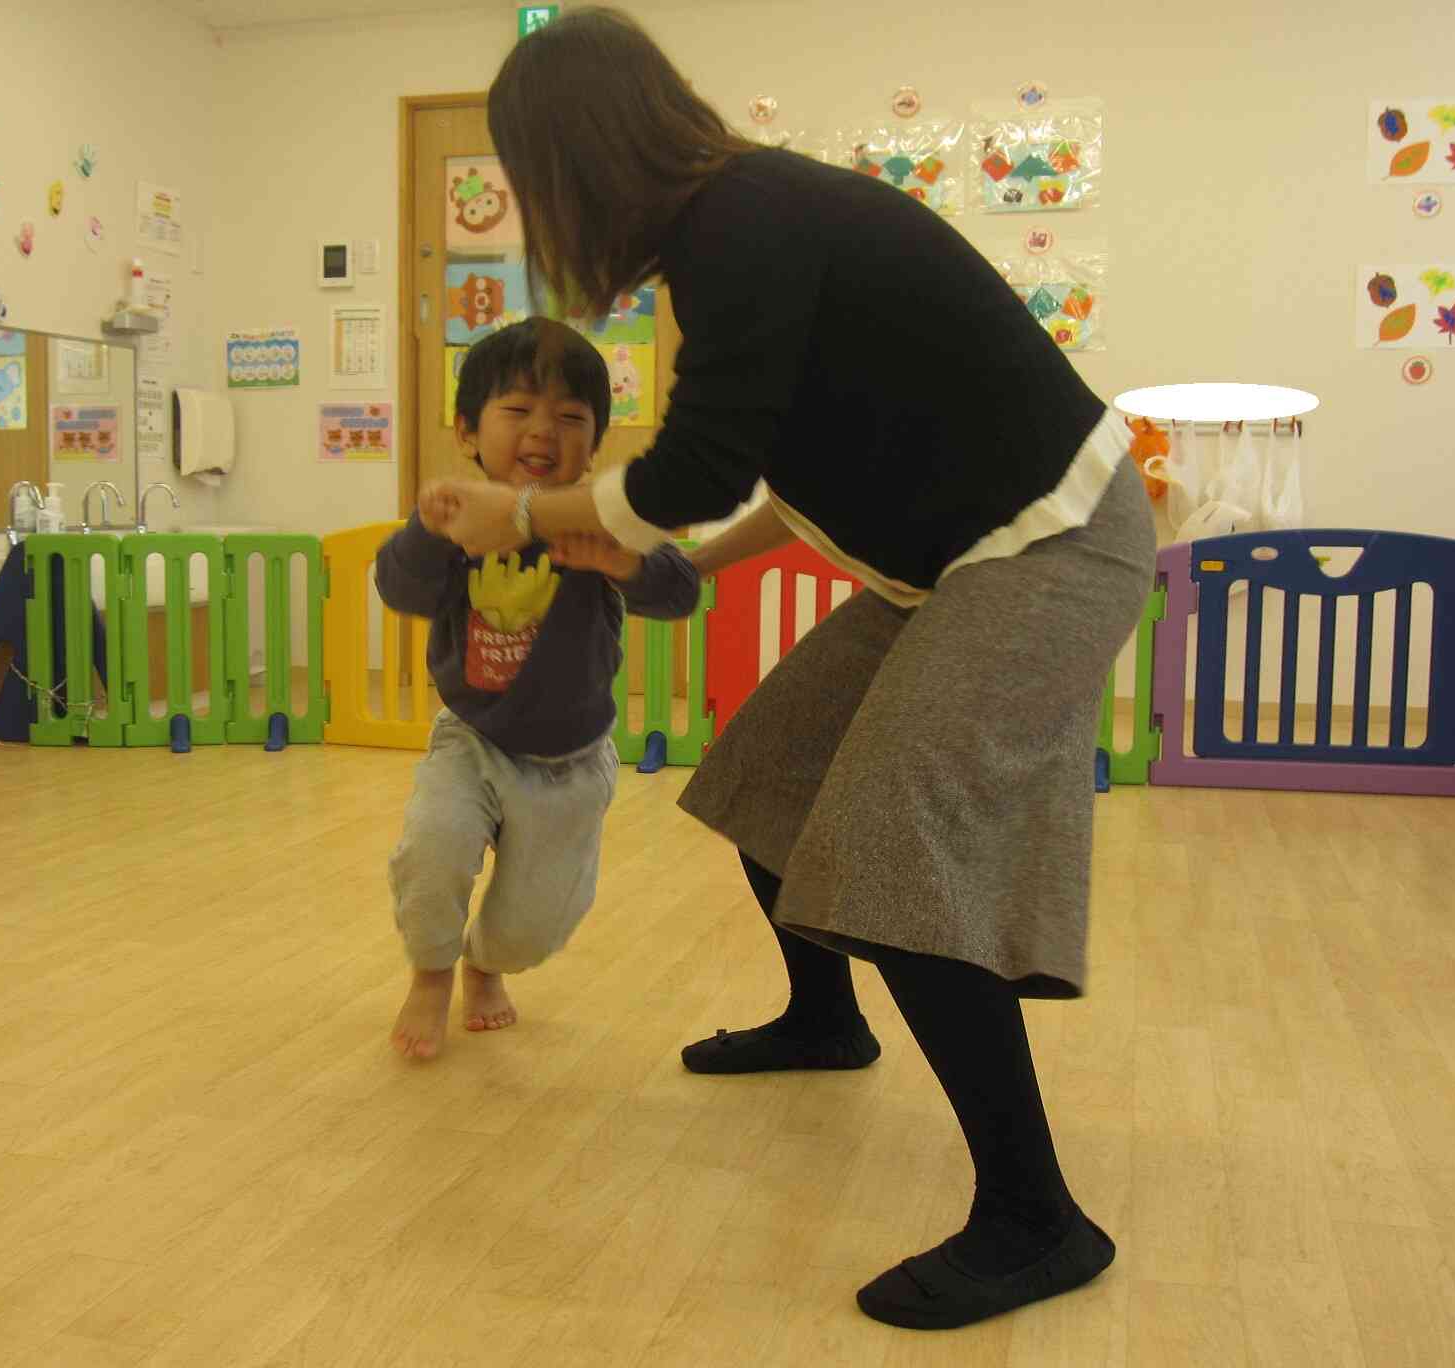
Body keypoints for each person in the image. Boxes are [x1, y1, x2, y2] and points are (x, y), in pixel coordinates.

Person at [423, 7, 1156, 1331]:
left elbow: (691, 471)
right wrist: (694, 569)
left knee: (890, 840)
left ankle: (1038, 1215)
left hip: (1052, 545)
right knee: (766, 771)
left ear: (576, 160)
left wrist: (525, 517)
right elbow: (780, 464)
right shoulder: (739, 230)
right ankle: (826, 1021)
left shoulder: (740, 226)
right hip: (945, 561)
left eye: (534, 180)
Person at [377, 319, 699, 1060]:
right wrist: (428, 531)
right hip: (472, 738)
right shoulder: (464, 516)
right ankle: (431, 974)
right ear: (468, 430)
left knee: (534, 923)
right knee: (433, 850)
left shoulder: (598, 517)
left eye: (571, 418)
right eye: (518, 411)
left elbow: (681, 589)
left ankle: (485, 965)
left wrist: (623, 564)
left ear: (596, 440)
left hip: (572, 759)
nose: (542, 432)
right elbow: (401, 588)